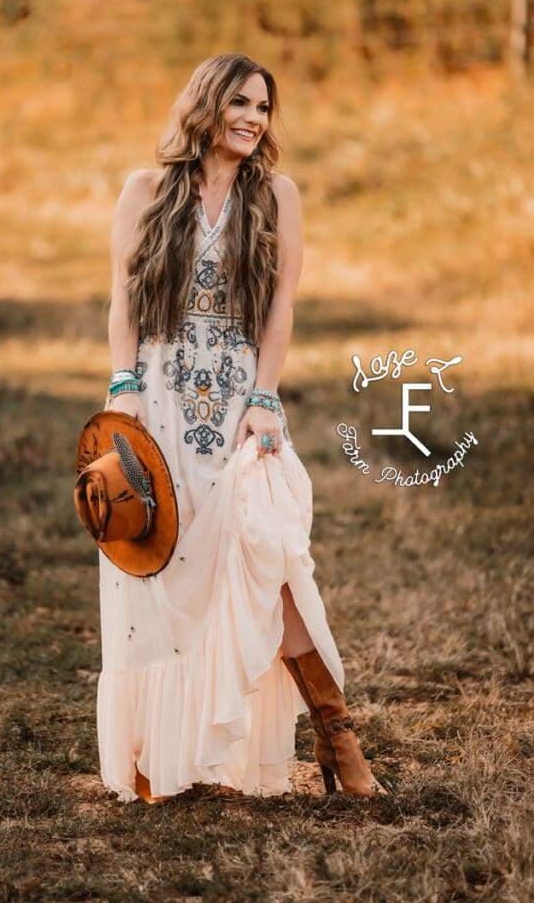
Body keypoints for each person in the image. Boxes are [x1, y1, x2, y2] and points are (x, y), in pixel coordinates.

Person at [97, 52, 389, 803]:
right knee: (162, 569)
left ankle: (336, 737)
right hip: (157, 398)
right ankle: (159, 750)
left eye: (263, 107)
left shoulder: (277, 195)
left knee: (267, 555)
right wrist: (122, 389)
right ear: (206, 105)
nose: (254, 118)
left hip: (237, 401)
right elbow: (123, 302)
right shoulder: (145, 190)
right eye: (240, 103)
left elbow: (280, 307)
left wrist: (266, 396)